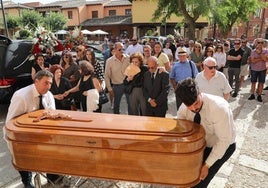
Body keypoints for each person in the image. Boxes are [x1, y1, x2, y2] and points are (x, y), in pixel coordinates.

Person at [175, 78, 236, 188]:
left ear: (200, 92)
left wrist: (207, 165)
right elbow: (181, 130)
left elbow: (224, 141)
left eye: (196, 103)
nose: (194, 108)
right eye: (190, 106)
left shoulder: (219, 108)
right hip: (201, 144)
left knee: (199, 182)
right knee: (189, 177)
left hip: (222, 145)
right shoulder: (183, 109)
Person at [5, 70, 58, 188]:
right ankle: (27, 181)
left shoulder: (48, 95)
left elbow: (53, 114)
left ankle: (52, 178)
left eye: (50, 83)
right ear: (36, 81)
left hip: (40, 134)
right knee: (24, 160)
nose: (48, 86)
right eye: (46, 83)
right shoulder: (21, 96)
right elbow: (10, 122)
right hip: (20, 136)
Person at [104, 42, 130, 114]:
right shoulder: (109, 61)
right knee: (116, 106)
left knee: (130, 104)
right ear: (114, 50)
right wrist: (109, 88)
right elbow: (107, 75)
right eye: (119, 49)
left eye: (123, 49)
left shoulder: (128, 58)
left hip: (128, 85)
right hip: (117, 86)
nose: (122, 51)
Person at [248, 38, 268, 102]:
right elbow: (253, 61)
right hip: (254, 69)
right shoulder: (253, 51)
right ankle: (252, 94)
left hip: (262, 69)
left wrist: (260, 54)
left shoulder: (266, 51)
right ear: (256, 43)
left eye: (261, 42)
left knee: (261, 83)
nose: (260, 44)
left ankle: (259, 95)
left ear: (263, 43)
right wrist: (261, 58)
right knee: (253, 82)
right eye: (259, 42)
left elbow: (265, 60)